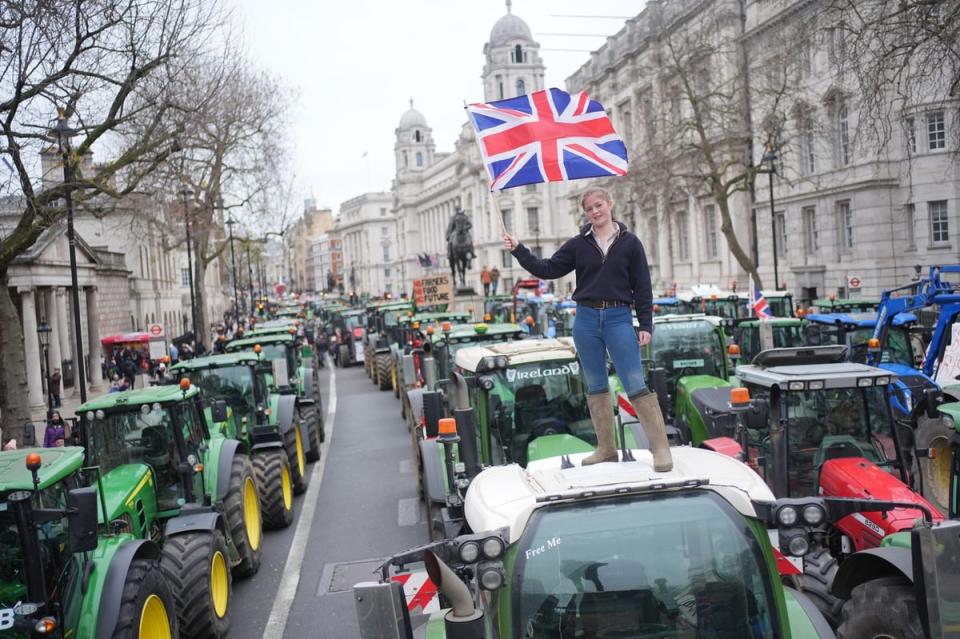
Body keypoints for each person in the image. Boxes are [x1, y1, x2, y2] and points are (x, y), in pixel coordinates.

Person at [503, 185, 672, 470]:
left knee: (635, 383)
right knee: (595, 384)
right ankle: (606, 448)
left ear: (610, 203)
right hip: (586, 319)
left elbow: (642, 286)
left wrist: (645, 324)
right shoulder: (578, 244)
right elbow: (548, 269)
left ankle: (661, 450)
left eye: (598, 205)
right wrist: (519, 250)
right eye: (589, 208)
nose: (595, 211)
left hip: (619, 317)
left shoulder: (631, 243)